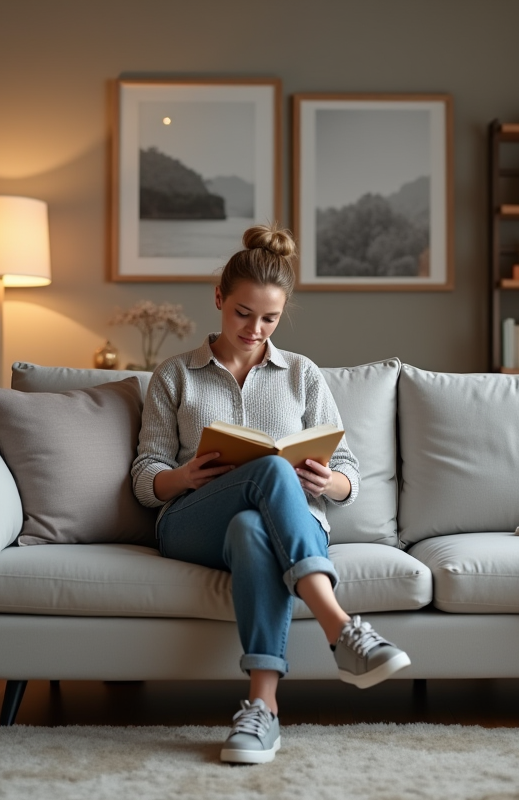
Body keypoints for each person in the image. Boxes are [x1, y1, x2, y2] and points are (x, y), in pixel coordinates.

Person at [130, 223, 410, 765]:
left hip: (281, 529)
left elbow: (349, 471)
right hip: (192, 522)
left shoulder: (302, 375)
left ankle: (263, 710)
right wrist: (183, 478)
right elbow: (146, 476)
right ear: (218, 298)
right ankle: (340, 627)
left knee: (253, 528)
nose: (254, 328)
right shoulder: (175, 376)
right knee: (271, 475)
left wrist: (329, 482)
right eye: (242, 313)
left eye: (269, 318)